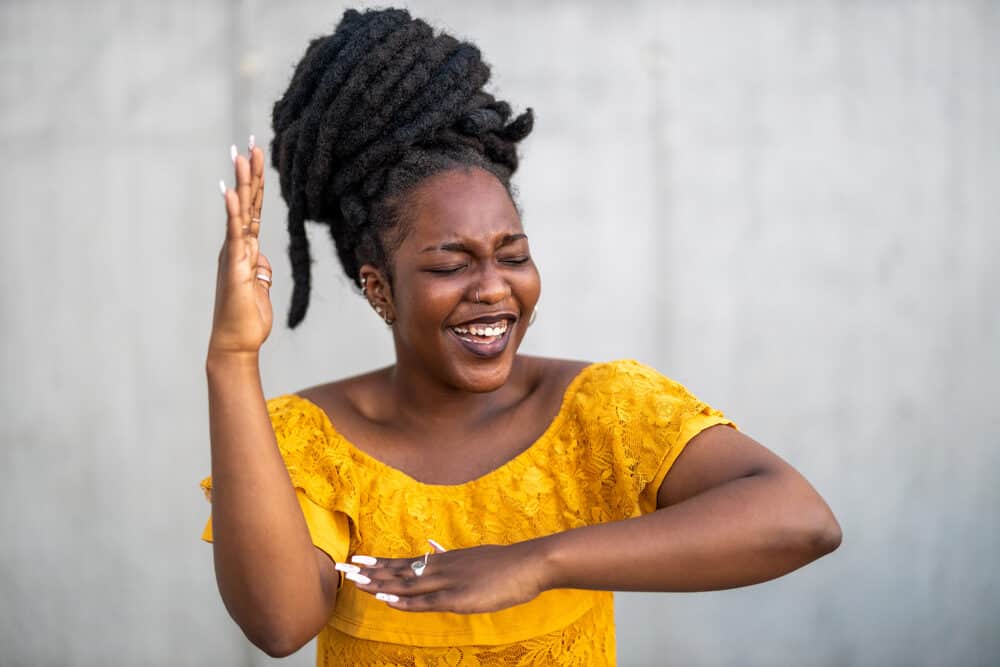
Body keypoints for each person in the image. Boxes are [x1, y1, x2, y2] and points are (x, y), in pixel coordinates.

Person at [200, 7, 841, 665]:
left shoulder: (600, 411)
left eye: (512, 255)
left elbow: (801, 519)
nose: (493, 287)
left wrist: (539, 560)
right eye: (450, 264)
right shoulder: (310, 441)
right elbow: (280, 624)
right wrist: (232, 358)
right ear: (380, 288)